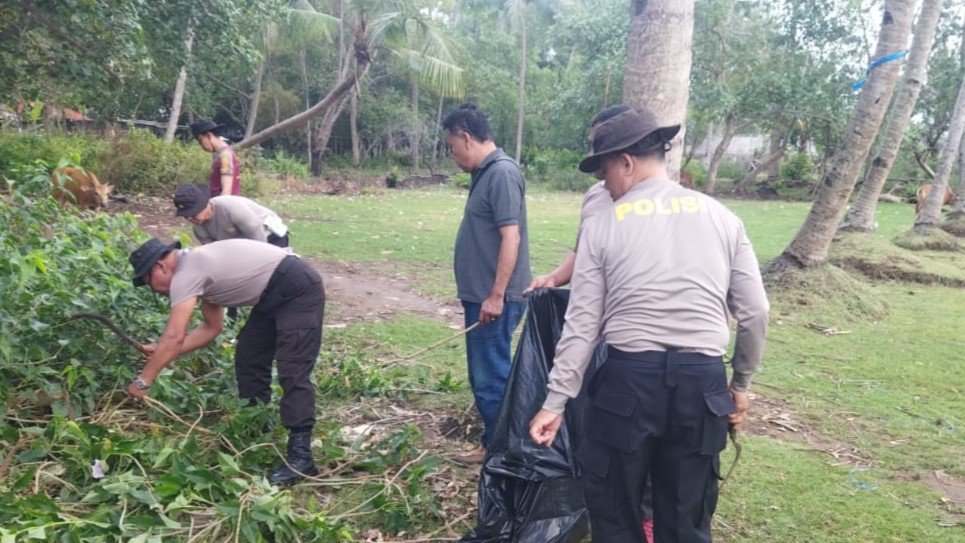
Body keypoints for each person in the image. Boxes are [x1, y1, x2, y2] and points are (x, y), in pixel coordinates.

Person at [529, 107, 769, 543]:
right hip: (703, 385)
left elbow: (582, 325)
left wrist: (555, 402)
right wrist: (741, 384)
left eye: (605, 172)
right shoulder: (723, 218)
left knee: (616, 514)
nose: (604, 184)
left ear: (626, 162)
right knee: (686, 519)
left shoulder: (604, 226)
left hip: (627, 386)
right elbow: (755, 312)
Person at [524, 105, 657, 543]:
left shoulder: (654, 206)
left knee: (640, 436)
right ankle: (590, 495)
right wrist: (555, 278)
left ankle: (642, 514)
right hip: (588, 328)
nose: (599, 165)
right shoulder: (596, 198)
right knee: (595, 424)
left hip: (628, 337)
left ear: (626, 157)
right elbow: (584, 252)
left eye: (604, 154)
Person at [126, 237, 325, 486]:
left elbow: (174, 337)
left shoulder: (187, 272)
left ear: (160, 267)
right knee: (249, 354)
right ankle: (257, 429)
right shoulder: (196, 267)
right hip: (272, 294)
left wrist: (143, 381)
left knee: (293, 369)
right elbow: (212, 327)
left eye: (151, 284)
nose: (157, 291)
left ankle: (301, 456)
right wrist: (162, 352)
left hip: (297, 288)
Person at [444, 103, 532, 464]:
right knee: (486, 375)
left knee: (490, 378)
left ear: (466, 137)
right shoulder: (485, 173)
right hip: (481, 296)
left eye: (452, 147)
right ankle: (496, 442)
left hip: (495, 300)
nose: (453, 156)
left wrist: (496, 296)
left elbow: (510, 238)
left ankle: (502, 453)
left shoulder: (501, 173)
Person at [173, 183, 290, 248]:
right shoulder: (199, 228)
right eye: (186, 215)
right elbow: (214, 253)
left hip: (268, 235)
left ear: (205, 204)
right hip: (243, 244)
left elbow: (258, 236)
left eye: (192, 213)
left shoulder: (231, 209)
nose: (189, 218)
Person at [190, 118, 241, 198]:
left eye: (200, 140)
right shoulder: (224, 153)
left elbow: (226, 191)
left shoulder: (225, 156)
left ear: (208, 135)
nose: (201, 146)